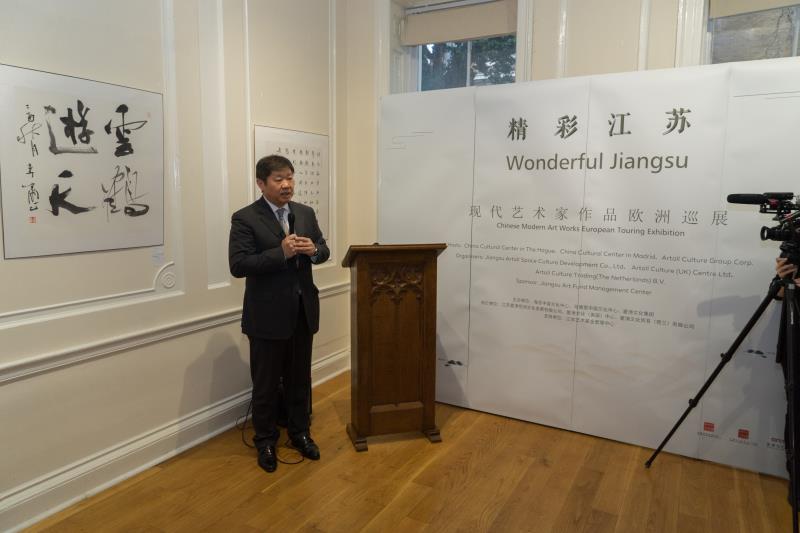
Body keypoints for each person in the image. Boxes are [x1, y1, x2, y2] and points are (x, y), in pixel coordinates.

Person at [229, 154, 330, 473]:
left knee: (300, 380)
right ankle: (265, 441)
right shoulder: (245, 218)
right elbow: (238, 265)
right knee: (266, 384)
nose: (287, 184)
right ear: (261, 183)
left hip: (302, 312)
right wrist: (280, 253)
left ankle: (300, 433)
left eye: (290, 177)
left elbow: (324, 249)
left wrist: (315, 251)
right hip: (266, 316)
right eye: (279, 179)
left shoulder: (305, 212)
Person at [775, 256, 800, 504]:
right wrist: (783, 279)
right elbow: (778, 294)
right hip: (794, 345)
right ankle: (797, 483)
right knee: (795, 412)